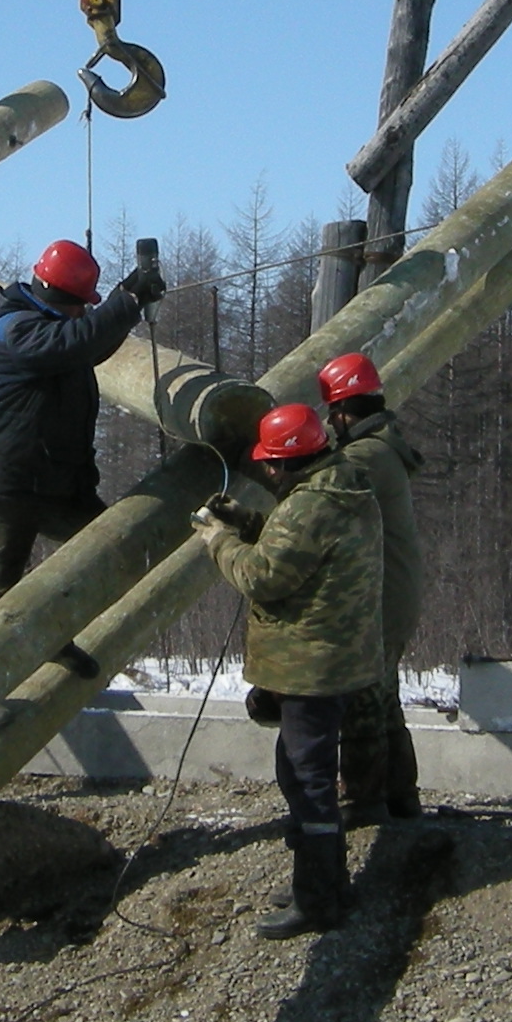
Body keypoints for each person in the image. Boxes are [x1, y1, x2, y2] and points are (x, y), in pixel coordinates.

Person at [193, 401, 386, 939]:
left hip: (312, 666)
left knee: (307, 781)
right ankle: (318, 879)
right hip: (335, 658)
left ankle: (320, 900)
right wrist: (245, 519)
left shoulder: (309, 506)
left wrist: (218, 541)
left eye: (273, 464)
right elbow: (296, 544)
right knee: (303, 772)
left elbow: (263, 575)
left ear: (294, 462)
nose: (268, 472)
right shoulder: (341, 487)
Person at [0, 236, 163, 630]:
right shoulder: (17, 329)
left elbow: (87, 346)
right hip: (7, 482)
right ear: (62, 297)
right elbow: (72, 344)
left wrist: (126, 298)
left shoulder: (51, 328)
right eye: (82, 302)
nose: (85, 311)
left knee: (111, 550)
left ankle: (47, 638)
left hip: (51, 483)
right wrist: (127, 302)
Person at [318, 351, 427, 823]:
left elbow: (317, 504)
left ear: (343, 411)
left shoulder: (363, 456)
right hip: (395, 593)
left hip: (376, 598)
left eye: (331, 414)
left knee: (362, 701)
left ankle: (363, 803)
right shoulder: (386, 445)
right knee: (385, 699)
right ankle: (401, 796)